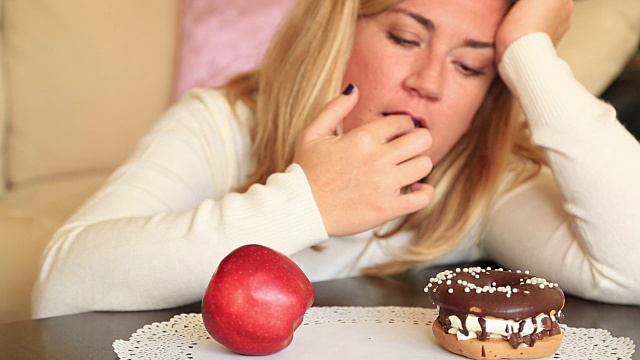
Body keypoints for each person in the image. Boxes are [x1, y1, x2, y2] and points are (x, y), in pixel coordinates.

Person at [32, 0, 640, 319]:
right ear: (340, 31)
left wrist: (532, 56)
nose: (429, 82)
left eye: (471, 65)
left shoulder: (473, 179)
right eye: (405, 38)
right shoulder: (221, 126)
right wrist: (308, 204)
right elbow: (62, 289)